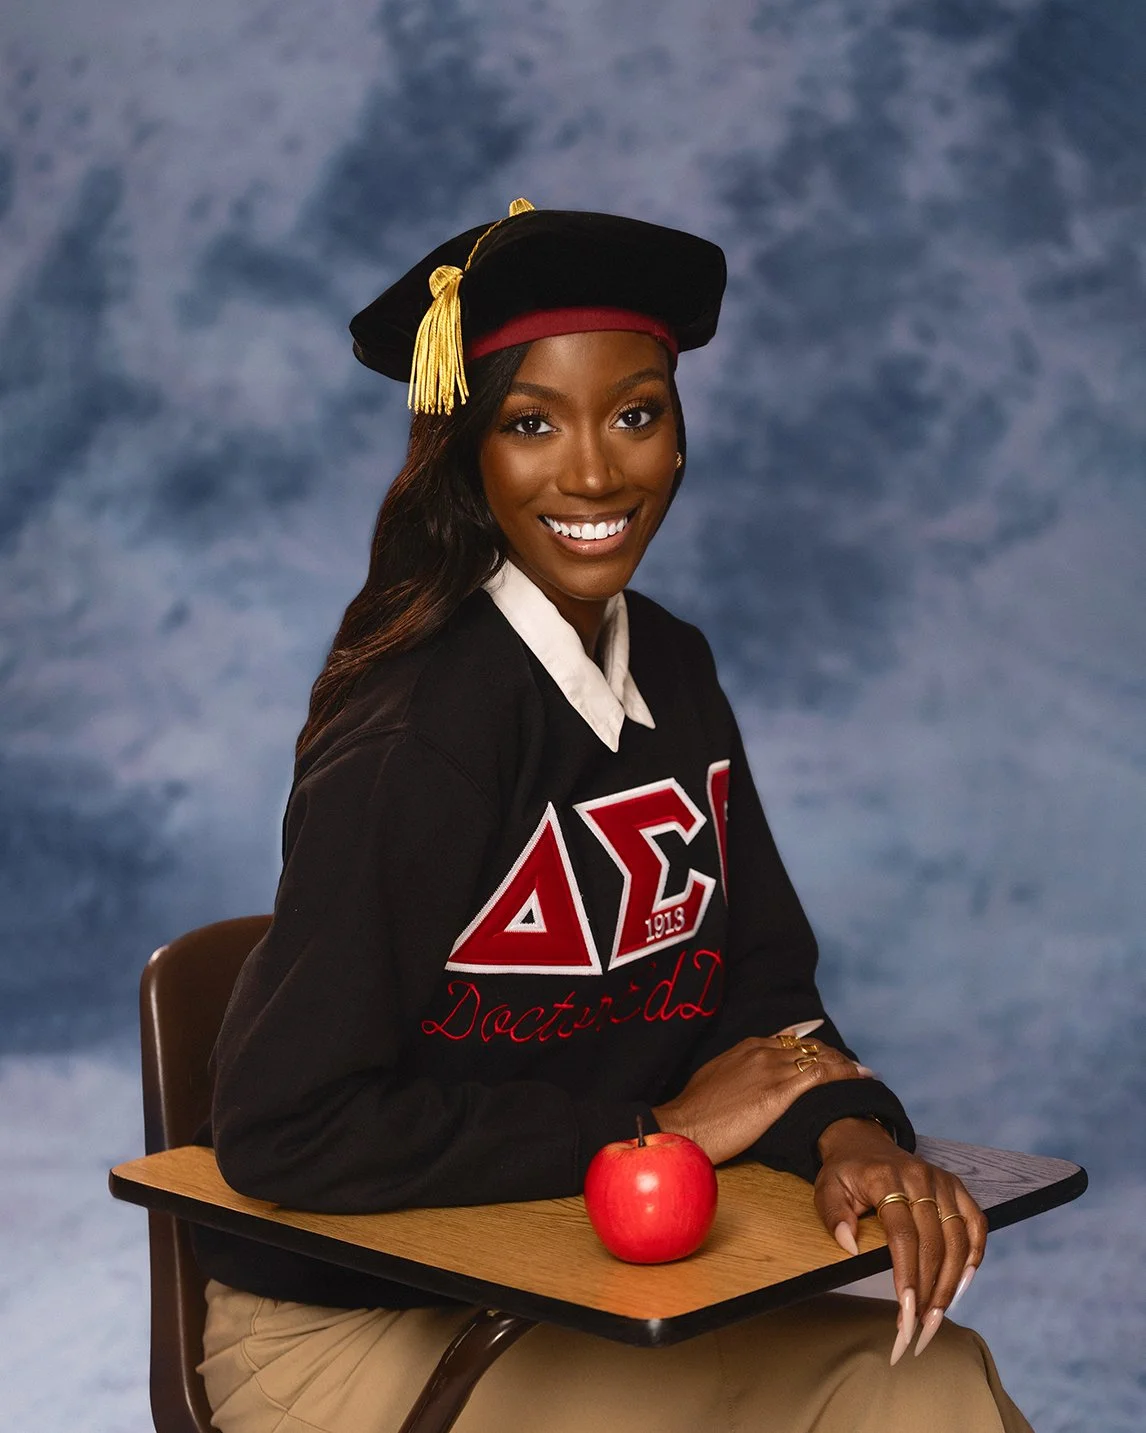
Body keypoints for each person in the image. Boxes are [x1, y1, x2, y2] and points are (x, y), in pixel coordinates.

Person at [193, 200, 1033, 1433]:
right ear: (468, 449)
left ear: (681, 438)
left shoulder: (675, 669)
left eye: (635, 413)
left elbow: (759, 985)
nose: (594, 470)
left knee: (932, 1376)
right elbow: (282, 1128)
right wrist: (655, 1127)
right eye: (532, 423)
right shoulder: (426, 734)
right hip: (356, 1327)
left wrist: (848, 1127)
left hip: (569, 1280)